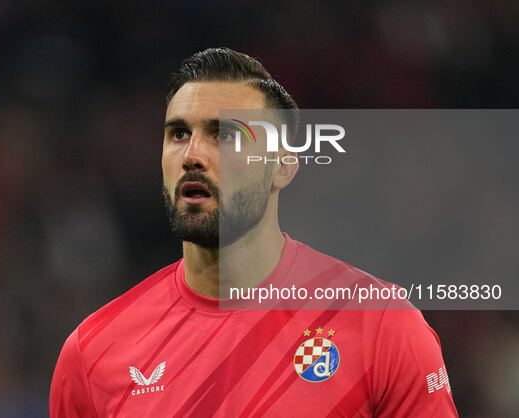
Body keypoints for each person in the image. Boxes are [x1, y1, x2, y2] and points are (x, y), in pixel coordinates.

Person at [50, 48, 458, 417]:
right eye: (178, 134)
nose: (192, 155)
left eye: (223, 135)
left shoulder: (381, 326)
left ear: (282, 166)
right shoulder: (94, 353)